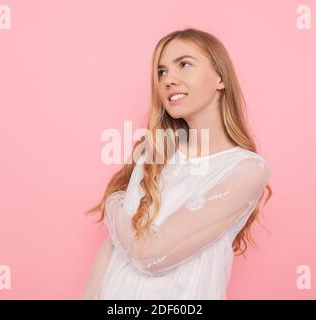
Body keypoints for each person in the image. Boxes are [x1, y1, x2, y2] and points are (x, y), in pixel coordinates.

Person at [81, 28, 273, 300]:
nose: (168, 79)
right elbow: (112, 249)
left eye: (184, 64)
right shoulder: (153, 152)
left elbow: (151, 254)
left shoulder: (246, 169)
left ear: (220, 77)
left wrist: (112, 202)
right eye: (161, 72)